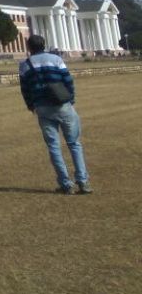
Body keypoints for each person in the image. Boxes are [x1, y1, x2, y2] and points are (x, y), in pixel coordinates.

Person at [19, 33, 90, 194]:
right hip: (62, 105)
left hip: (42, 107)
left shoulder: (25, 64)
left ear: (29, 47)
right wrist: (70, 98)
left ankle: (66, 184)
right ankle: (83, 181)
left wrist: (31, 105)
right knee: (74, 144)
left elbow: (25, 89)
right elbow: (68, 80)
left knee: (53, 146)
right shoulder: (56, 59)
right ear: (44, 45)